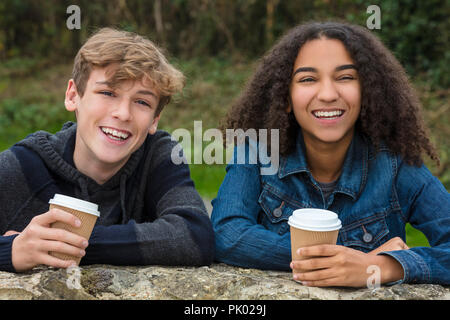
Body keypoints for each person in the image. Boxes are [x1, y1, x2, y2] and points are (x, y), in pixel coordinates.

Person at [211, 21, 450, 287]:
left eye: (345, 77)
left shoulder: (396, 164)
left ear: (367, 91)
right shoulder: (256, 150)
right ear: (285, 98)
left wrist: (385, 265)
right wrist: (352, 258)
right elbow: (226, 232)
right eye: (308, 79)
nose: (327, 94)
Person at [0, 28, 214, 272]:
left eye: (142, 102)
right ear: (73, 96)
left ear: (155, 119)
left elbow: (195, 236)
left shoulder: (157, 156)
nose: (123, 113)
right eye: (107, 93)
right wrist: (12, 250)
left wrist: (70, 243)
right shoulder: (23, 165)